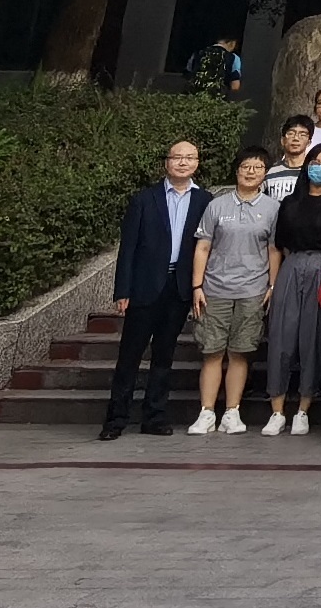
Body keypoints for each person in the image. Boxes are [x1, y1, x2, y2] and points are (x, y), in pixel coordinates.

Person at [102, 137, 209, 441]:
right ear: (167, 162)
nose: (183, 162)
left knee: (164, 355)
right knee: (129, 356)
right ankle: (116, 419)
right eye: (177, 157)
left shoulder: (205, 201)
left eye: (190, 158)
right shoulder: (144, 200)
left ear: (197, 163)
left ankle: (154, 416)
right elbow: (128, 249)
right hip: (145, 287)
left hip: (178, 288)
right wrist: (123, 291)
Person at [185, 149, 276, 435]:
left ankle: (232, 412)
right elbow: (203, 247)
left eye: (257, 167)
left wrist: (272, 285)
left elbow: (274, 250)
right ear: (236, 171)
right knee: (212, 351)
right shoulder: (216, 205)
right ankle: (207, 411)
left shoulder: (273, 208)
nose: (251, 172)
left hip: (252, 288)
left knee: (240, 352)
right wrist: (197, 285)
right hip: (215, 288)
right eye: (245, 166)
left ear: (265, 173)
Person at [266, 139, 321, 434]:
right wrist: (274, 282)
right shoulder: (291, 202)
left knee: (313, 339)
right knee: (281, 337)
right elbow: (279, 246)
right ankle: (277, 410)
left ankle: (303, 409)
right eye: (316, 163)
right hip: (292, 268)